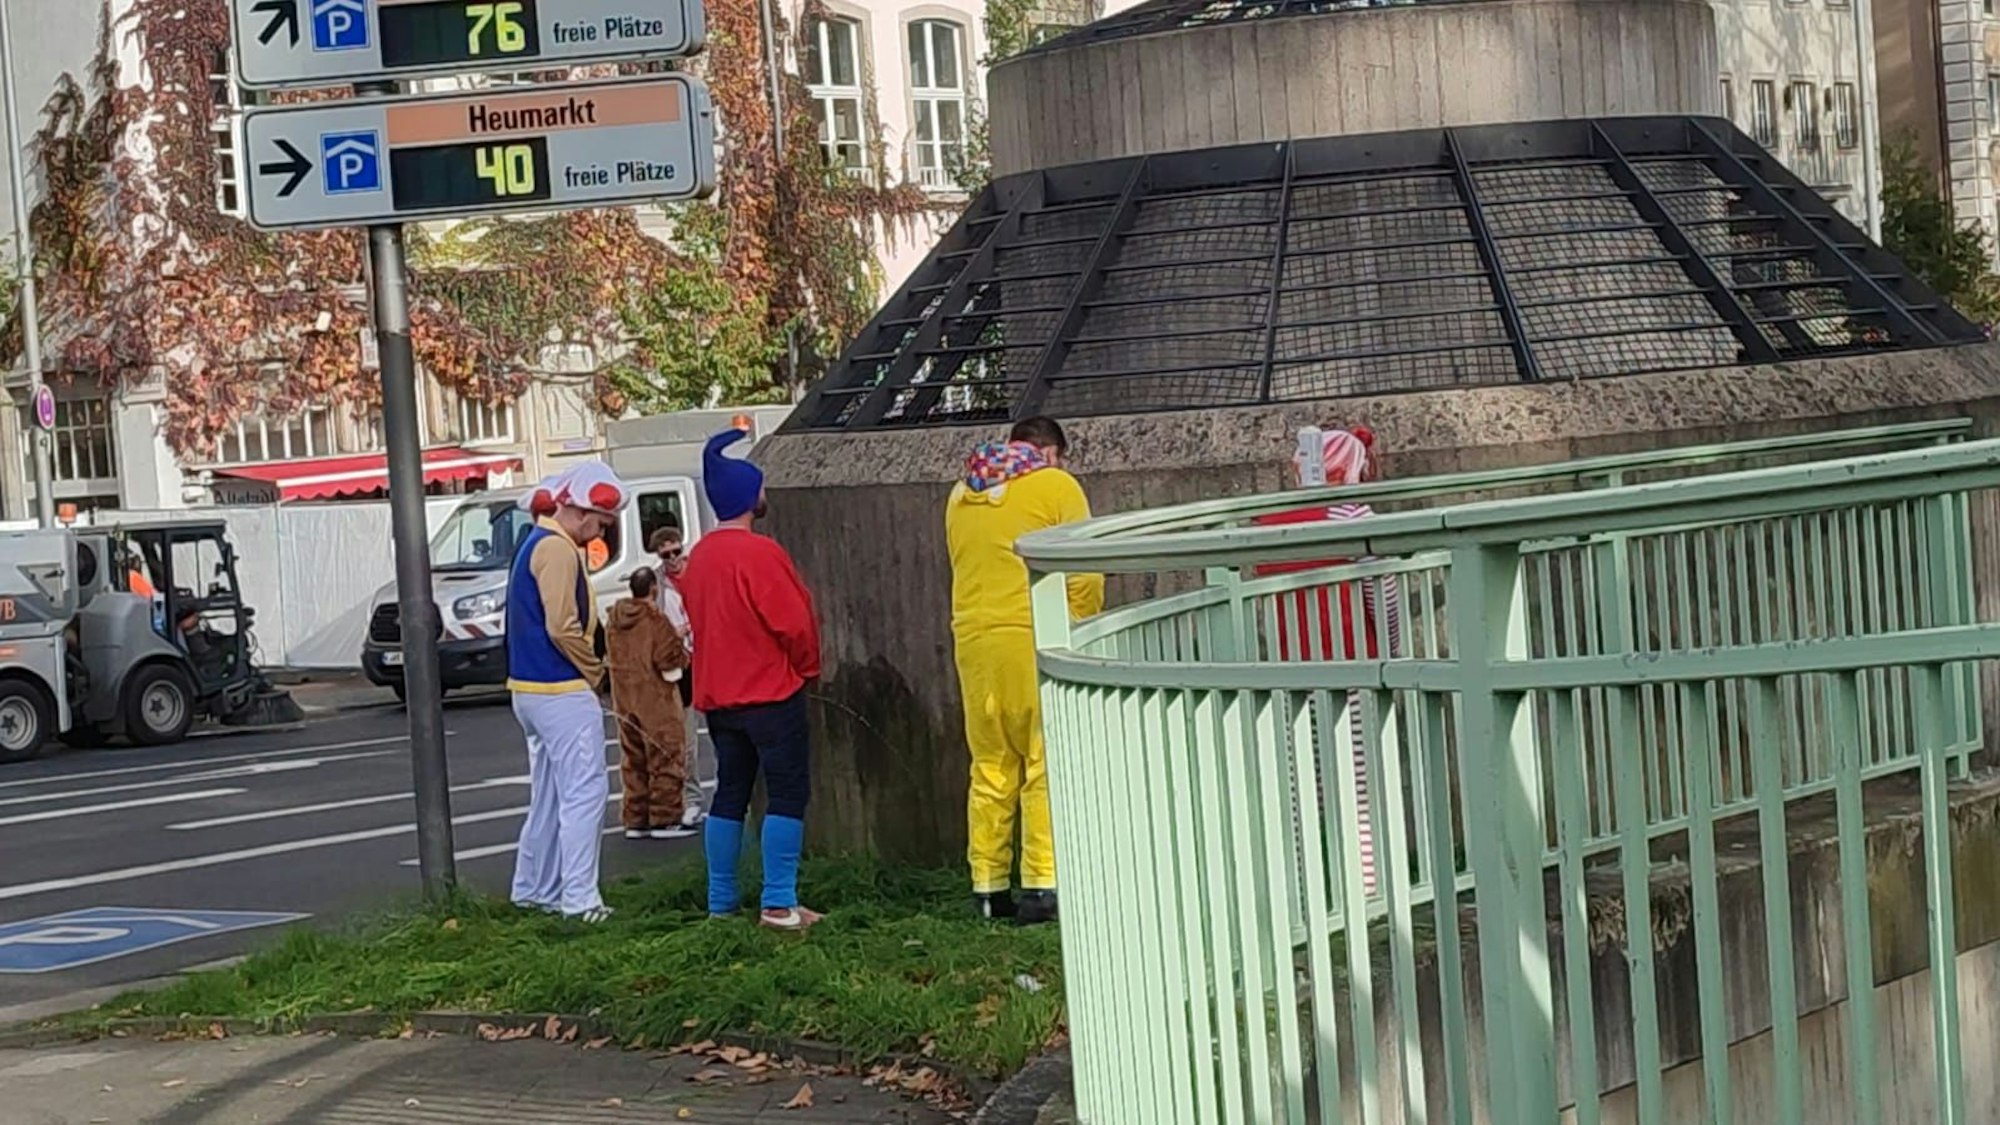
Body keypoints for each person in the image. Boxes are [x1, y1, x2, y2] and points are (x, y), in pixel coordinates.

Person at [945, 416, 1104, 925]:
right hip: (1032, 634)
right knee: (1042, 758)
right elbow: (1084, 568)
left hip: (974, 641)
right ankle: (1041, 884)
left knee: (991, 764)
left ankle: (988, 887)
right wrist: (1080, 627)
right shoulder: (1055, 485)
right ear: (1051, 452)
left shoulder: (961, 494)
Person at [680, 427, 824, 931]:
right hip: (770, 693)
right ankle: (779, 903)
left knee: (730, 792)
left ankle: (721, 903)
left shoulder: (699, 557)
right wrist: (807, 668)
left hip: (719, 698)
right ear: (748, 496)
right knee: (786, 792)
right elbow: (795, 623)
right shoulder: (760, 553)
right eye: (760, 486)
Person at [1250, 425, 1401, 897]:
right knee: (1362, 786)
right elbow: (1382, 595)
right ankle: (1368, 889)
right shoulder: (1353, 515)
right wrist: (1395, 650)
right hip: (1354, 663)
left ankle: (1311, 887)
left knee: (1307, 786)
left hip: (1292, 665)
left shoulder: (1270, 521)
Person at [506, 462, 629, 923]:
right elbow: (563, 626)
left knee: (549, 796)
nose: (601, 532)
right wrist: (596, 672)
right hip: (561, 688)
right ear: (581, 510)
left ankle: (534, 889)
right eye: (601, 522)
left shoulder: (533, 542)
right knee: (584, 792)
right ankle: (580, 900)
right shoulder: (558, 549)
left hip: (529, 688)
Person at [605, 567, 691, 840]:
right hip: (656, 700)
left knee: (633, 760)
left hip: (625, 699)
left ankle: (636, 817)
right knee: (666, 757)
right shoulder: (655, 620)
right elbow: (667, 660)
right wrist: (682, 652)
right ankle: (665, 819)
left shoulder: (614, 620)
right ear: (654, 588)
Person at [649, 523, 707, 829]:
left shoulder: (699, 572)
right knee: (685, 739)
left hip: (709, 658)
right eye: (666, 555)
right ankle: (692, 799)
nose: (672, 559)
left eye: (676, 552)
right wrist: (675, 633)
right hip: (680, 665)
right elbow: (652, 626)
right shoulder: (657, 584)